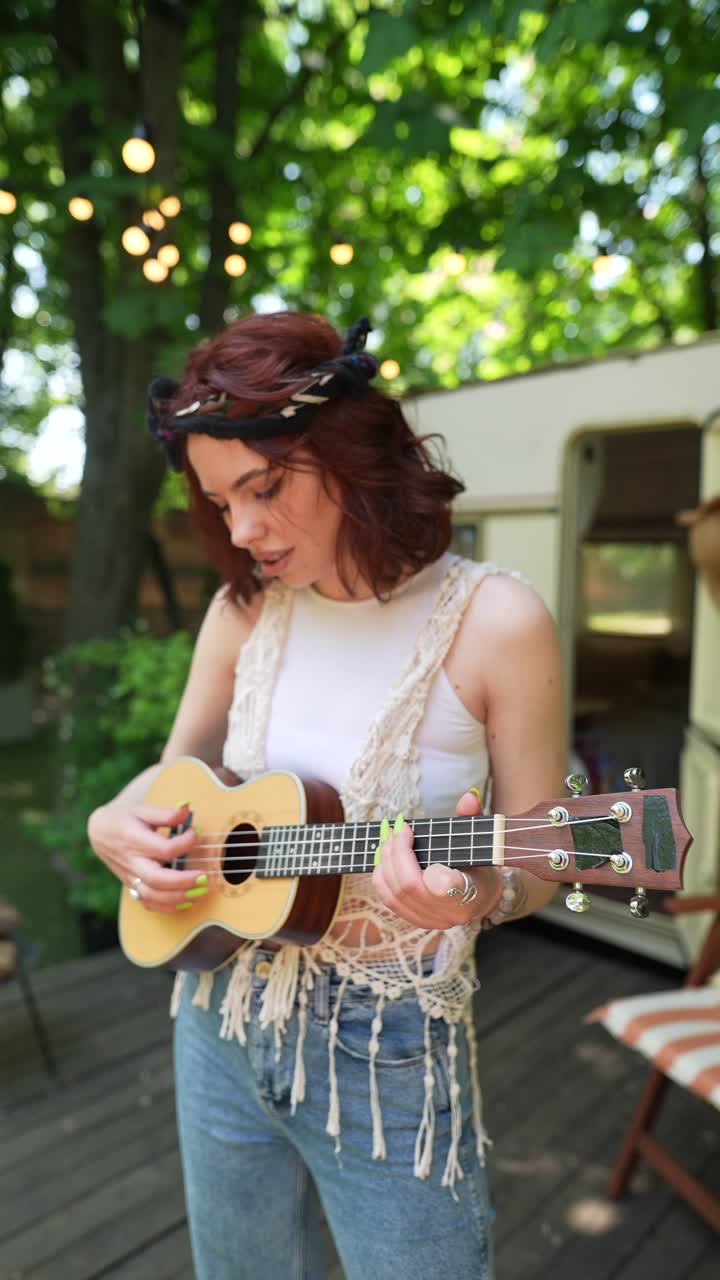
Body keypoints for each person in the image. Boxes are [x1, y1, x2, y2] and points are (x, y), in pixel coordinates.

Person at [87, 311, 566, 1280]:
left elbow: (544, 857)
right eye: (220, 503)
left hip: (385, 1051)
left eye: (263, 488)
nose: (242, 530)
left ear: (351, 451)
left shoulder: (496, 621)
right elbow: (174, 772)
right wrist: (112, 821)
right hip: (217, 1016)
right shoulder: (242, 612)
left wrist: (477, 894)